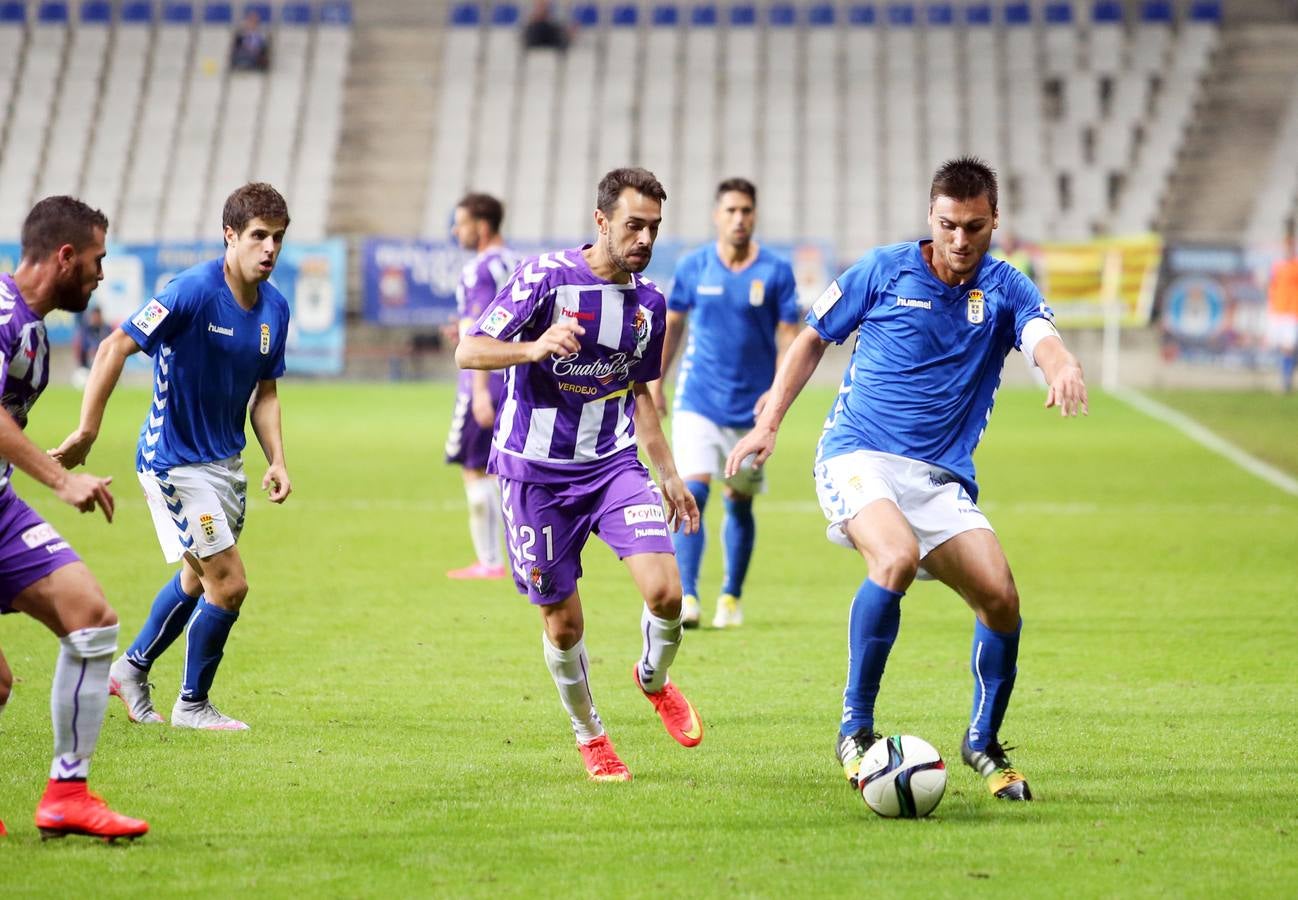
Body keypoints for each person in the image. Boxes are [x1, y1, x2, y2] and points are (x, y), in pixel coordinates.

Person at [726, 158, 1089, 803]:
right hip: (856, 455)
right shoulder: (883, 269)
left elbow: (1042, 338)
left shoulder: (1007, 288)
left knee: (1001, 601)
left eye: (974, 227)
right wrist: (770, 422)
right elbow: (812, 338)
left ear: (993, 222)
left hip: (938, 479)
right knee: (892, 558)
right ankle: (854, 729)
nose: (960, 240)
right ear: (931, 217)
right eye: (948, 225)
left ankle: (982, 742)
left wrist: (1061, 367)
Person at [455, 167, 704, 782]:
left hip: (612, 465)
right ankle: (590, 734)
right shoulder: (545, 278)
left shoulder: (649, 302)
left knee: (667, 592)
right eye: (633, 226)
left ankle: (652, 678)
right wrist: (535, 347)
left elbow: (638, 390)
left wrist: (667, 471)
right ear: (602, 222)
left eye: (653, 228)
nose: (644, 239)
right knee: (563, 623)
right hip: (534, 476)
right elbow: (470, 349)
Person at [54, 183, 293, 732]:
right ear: (230, 236)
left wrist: (277, 458)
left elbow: (267, 392)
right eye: (258, 236)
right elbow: (116, 345)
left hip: (225, 464)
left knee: (194, 575)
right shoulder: (188, 291)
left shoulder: (274, 309)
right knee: (228, 583)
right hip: (173, 462)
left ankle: (131, 669)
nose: (269, 249)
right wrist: (88, 430)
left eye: (278, 238)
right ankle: (192, 704)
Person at [0, 197, 147, 841]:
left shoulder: (29, 321)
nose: (100, 275)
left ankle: (67, 796)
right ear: (65, 256)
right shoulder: (3, 314)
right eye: (96, 260)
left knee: (90, 616)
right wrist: (60, 479)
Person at [647, 178, 800, 629]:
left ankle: (730, 597)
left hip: (750, 411)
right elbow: (671, 326)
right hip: (698, 399)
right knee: (691, 491)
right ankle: (689, 596)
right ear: (717, 216)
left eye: (746, 211)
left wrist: (777, 390)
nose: (738, 218)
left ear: (754, 216)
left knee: (738, 501)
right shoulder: (695, 266)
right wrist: (656, 381)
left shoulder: (775, 271)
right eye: (730, 210)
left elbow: (789, 335)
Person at [445, 193, 517, 579]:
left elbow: (480, 329)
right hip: (515, 378)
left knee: (474, 469)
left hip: (484, 380)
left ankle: (489, 561)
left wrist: (478, 392)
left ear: (482, 226)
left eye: (461, 222)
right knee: (500, 469)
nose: (456, 230)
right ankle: (508, 555)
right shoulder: (516, 263)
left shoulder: (478, 270)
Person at [1265, 226, 1298, 393]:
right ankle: (1282, 376)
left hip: (1292, 312)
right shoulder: (1277, 266)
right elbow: (1272, 286)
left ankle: (1286, 380)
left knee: (1288, 346)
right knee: (1278, 346)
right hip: (1277, 311)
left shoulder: (1296, 267)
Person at [71, 305, 111, 387]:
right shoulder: (86, 329)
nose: (95, 318)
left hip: (103, 357)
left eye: (97, 316)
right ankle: (85, 373)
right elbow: (84, 344)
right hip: (88, 359)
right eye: (94, 316)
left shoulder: (106, 328)